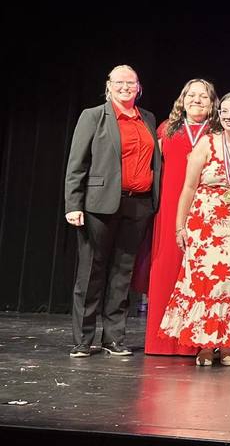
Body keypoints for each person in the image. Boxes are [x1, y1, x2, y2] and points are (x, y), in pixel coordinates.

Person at [159, 92, 230, 365]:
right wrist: (179, 227)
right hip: (204, 223)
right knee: (204, 280)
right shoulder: (206, 144)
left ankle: (228, 343)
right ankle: (205, 345)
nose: (229, 116)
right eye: (225, 112)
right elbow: (188, 187)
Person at [65, 65, 159, 357]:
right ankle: (83, 339)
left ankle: (113, 338)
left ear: (139, 86)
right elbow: (77, 163)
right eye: (119, 82)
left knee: (122, 272)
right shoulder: (93, 116)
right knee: (92, 270)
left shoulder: (148, 118)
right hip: (100, 204)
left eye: (130, 82)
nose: (125, 87)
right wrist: (73, 204)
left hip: (138, 204)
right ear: (108, 85)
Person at [146, 79, 218, 356]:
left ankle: (194, 342)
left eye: (204, 96)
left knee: (196, 271)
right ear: (182, 98)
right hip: (169, 207)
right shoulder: (167, 128)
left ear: (213, 103)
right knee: (167, 266)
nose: (197, 100)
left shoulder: (217, 132)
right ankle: (160, 341)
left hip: (203, 208)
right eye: (191, 95)